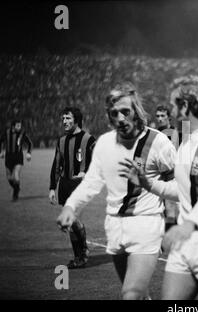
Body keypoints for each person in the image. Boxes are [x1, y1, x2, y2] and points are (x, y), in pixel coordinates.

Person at [120, 75, 198, 300]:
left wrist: (188, 224)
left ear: (186, 105)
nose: (171, 109)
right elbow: (183, 192)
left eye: (173, 103)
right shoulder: (188, 143)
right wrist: (148, 183)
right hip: (186, 242)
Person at [56, 82, 176, 300]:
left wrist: (171, 221)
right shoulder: (104, 144)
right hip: (114, 226)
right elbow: (91, 182)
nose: (120, 118)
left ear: (137, 111)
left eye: (125, 111)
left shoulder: (158, 142)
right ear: (109, 116)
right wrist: (70, 207)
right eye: (114, 113)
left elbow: (178, 186)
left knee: (129, 294)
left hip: (146, 223)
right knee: (139, 295)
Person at [49, 107, 96, 269]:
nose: (64, 121)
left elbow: (98, 161)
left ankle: (83, 252)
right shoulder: (61, 141)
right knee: (70, 224)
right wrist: (51, 188)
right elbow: (56, 165)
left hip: (80, 186)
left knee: (73, 219)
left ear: (76, 120)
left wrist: (86, 173)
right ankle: (79, 256)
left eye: (68, 118)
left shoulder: (89, 139)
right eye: (63, 118)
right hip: (65, 184)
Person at [154, 104, 180, 231]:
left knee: (172, 210)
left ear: (169, 118)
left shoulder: (174, 134)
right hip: (158, 177)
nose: (159, 119)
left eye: (162, 116)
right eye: (157, 116)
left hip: (173, 177)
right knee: (162, 211)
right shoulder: (154, 134)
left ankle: (172, 243)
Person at [0, 120, 32, 201]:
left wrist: (28, 153)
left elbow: (29, 143)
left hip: (18, 156)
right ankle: (16, 188)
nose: (20, 127)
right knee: (9, 177)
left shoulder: (22, 133)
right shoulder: (6, 133)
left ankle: (15, 195)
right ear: (13, 126)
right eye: (18, 126)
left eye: (20, 126)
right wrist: (1, 152)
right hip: (9, 157)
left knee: (16, 174)